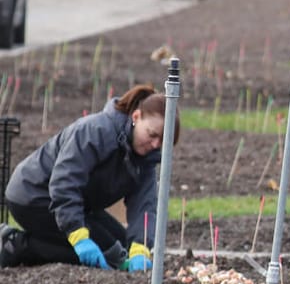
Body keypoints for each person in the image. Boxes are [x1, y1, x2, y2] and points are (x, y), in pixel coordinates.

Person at [0, 83, 176, 271]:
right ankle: (14, 245)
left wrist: (141, 247)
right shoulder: (96, 131)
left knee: (122, 244)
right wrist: (78, 235)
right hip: (32, 197)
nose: (156, 144)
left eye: (163, 140)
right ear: (136, 117)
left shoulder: (145, 158)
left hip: (77, 204)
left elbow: (144, 206)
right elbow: (64, 183)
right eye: (152, 134)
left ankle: (39, 241)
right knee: (107, 253)